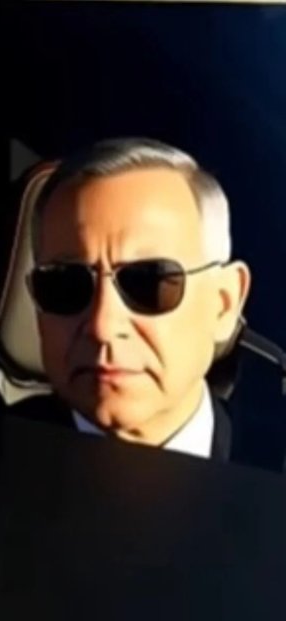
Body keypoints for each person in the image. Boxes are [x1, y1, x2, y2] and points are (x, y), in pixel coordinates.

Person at [16, 137, 257, 461]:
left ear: (224, 304)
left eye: (148, 282)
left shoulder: (271, 467)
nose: (102, 326)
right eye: (66, 285)